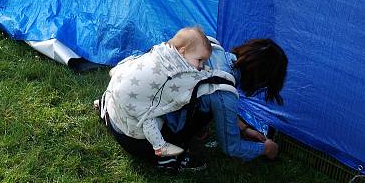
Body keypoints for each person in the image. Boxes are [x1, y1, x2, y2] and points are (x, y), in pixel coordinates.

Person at [101, 35, 288, 171]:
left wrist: (244, 129)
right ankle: (173, 158)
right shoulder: (224, 91)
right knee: (203, 108)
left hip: (112, 105)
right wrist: (266, 149)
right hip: (134, 140)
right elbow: (232, 147)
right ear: (261, 81)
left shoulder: (210, 46)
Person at [100, 27, 218, 161]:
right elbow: (198, 83)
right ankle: (160, 147)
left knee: (133, 96)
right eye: (199, 60)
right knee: (149, 118)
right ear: (183, 51)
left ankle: (102, 104)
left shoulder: (161, 52)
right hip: (133, 115)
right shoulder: (175, 73)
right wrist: (216, 75)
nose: (200, 66)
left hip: (119, 88)